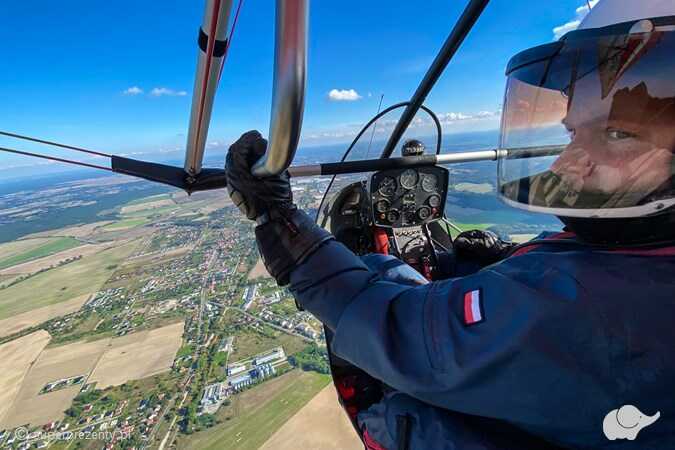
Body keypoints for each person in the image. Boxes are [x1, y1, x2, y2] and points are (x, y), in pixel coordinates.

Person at [226, 2, 675, 449]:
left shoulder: (582, 309)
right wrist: (506, 260)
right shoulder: (642, 261)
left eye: (618, 134)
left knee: (402, 410)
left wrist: (280, 222)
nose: (564, 165)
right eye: (574, 134)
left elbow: (393, 327)